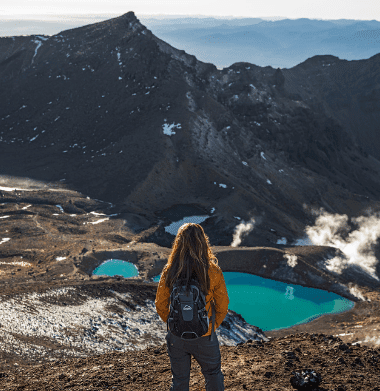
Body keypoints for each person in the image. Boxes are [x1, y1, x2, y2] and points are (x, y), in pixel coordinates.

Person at [155, 223, 229, 391]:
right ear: (203, 242)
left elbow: (160, 304)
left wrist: (175, 323)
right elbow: (223, 304)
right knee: (213, 374)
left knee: (180, 380)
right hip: (205, 336)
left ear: (178, 243)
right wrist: (211, 326)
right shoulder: (212, 270)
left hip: (176, 337)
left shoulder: (170, 270)